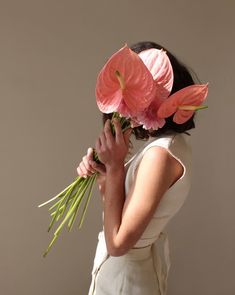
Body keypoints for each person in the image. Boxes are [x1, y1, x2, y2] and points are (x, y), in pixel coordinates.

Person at [77, 41, 198, 295]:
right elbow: (119, 212)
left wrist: (116, 167)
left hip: (126, 281)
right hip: (123, 275)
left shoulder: (160, 155)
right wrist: (106, 173)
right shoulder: (168, 146)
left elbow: (118, 244)